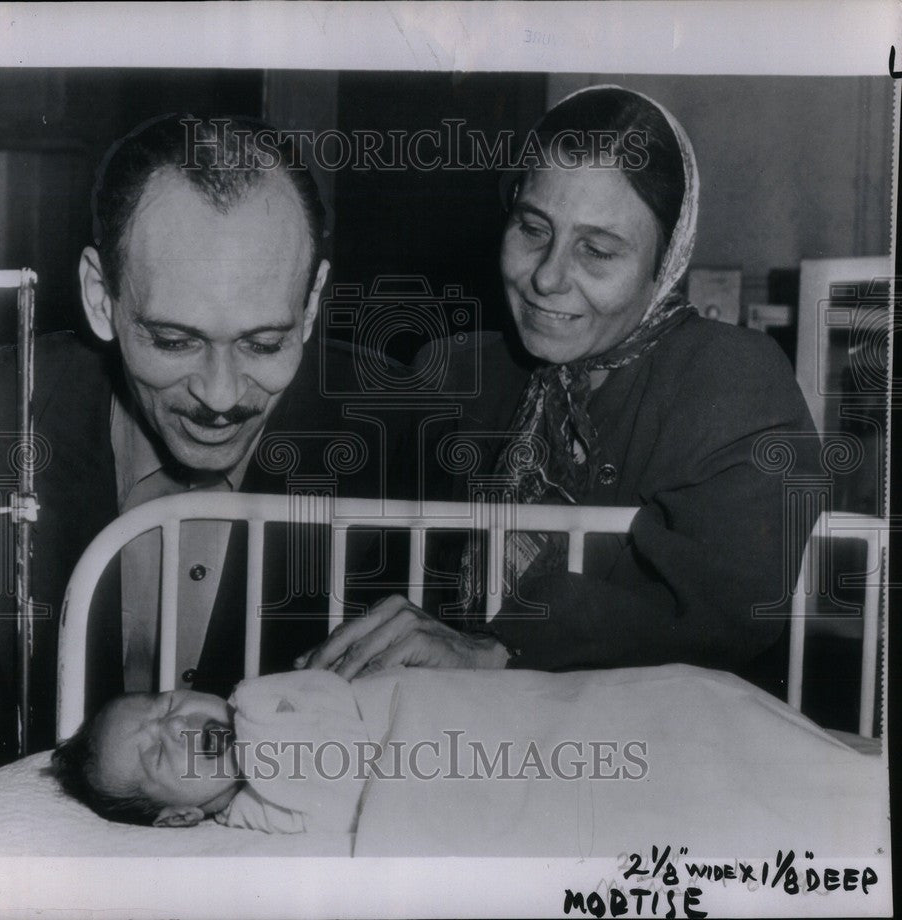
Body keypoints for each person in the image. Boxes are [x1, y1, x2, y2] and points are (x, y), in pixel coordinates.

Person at [297, 85, 821, 696]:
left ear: (669, 260)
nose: (547, 276)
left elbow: (723, 615)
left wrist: (498, 650)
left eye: (596, 251)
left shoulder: (729, 378)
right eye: (532, 228)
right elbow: (375, 569)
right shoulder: (459, 373)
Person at [0, 114, 398, 767]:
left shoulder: (391, 432)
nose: (222, 395)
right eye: (175, 341)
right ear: (100, 296)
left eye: (265, 343)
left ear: (312, 303)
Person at [50, 670, 385, 831]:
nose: (177, 726)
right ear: (181, 814)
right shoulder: (253, 814)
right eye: (157, 756)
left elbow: (337, 692)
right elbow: (349, 812)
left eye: (167, 704)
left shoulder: (256, 696)